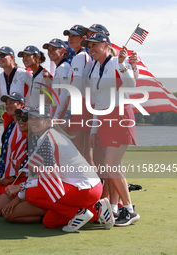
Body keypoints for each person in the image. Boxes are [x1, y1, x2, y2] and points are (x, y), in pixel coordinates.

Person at [6, 106, 114, 232]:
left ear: (48, 122)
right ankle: (98, 209)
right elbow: (37, 176)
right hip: (81, 187)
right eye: (31, 118)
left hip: (86, 189)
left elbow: (48, 179)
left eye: (38, 118)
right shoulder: (45, 137)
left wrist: (21, 187)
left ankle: (80, 211)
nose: (33, 122)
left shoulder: (48, 140)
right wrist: (20, 192)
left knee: (31, 194)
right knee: (50, 222)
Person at [82, 32, 140, 226]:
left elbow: (131, 84)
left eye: (95, 45)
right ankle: (114, 209)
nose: (91, 49)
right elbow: (97, 103)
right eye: (89, 46)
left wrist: (123, 64)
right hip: (104, 119)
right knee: (114, 166)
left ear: (106, 45)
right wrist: (93, 130)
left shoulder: (116, 62)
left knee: (110, 165)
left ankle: (129, 209)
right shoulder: (93, 69)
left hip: (120, 115)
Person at [0, 92, 26, 216]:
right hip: (6, 176)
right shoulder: (10, 126)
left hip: (20, 177)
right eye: (6, 103)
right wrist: (3, 175)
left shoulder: (27, 125)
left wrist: (13, 178)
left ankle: (28, 200)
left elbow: (30, 156)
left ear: (21, 105)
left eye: (12, 103)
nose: (8, 106)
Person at [2, 107, 46, 223]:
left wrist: (18, 198)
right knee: (5, 213)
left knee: (8, 214)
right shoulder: (31, 141)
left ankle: (49, 213)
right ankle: (45, 215)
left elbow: (42, 178)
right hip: (38, 187)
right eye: (19, 117)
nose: (21, 121)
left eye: (26, 118)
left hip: (49, 190)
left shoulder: (41, 141)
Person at [62, 25, 94, 165]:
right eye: (69, 36)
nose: (70, 39)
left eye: (74, 36)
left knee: (79, 154)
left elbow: (77, 87)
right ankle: (98, 186)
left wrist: (68, 113)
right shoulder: (83, 56)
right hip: (81, 107)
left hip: (78, 108)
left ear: (84, 38)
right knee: (85, 153)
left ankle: (94, 186)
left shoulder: (80, 57)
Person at [42, 39, 71, 120]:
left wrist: (56, 116)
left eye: (54, 49)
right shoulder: (59, 68)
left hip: (61, 113)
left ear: (63, 51)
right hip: (57, 111)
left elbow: (64, 94)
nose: (50, 52)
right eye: (49, 50)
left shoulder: (63, 67)